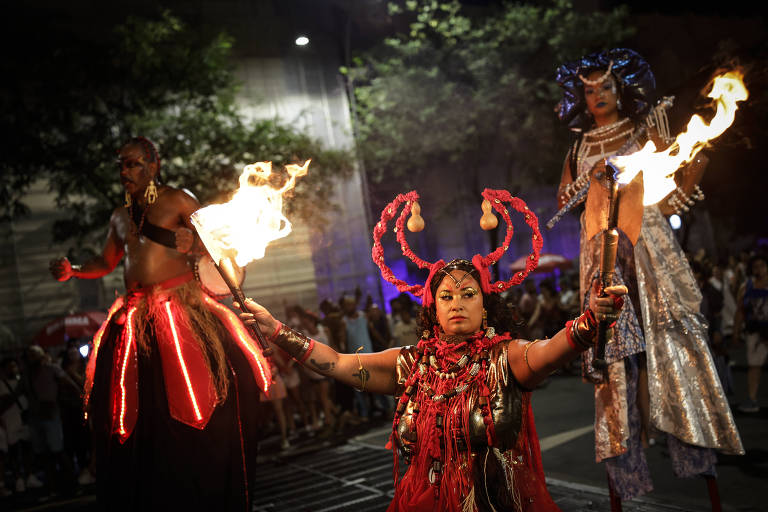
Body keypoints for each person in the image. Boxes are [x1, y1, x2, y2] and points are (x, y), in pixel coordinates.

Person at [238, 190, 628, 511]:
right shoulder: (411, 363)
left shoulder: (505, 357)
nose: (457, 302)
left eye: (468, 294)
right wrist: (277, 331)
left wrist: (590, 320)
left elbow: (554, 349)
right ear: (434, 308)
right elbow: (338, 363)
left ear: (485, 305)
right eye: (446, 295)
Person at [554, 48, 743, 503]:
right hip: (601, 253)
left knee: (675, 341)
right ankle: (625, 474)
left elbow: (677, 181)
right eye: (589, 90)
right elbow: (563, 201)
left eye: (604, 86)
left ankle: (698, 457)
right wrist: (596, 176)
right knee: (613, 361)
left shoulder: (645, 128)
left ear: (620, 88)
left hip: (650, 249)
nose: (597, 95)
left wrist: (691, 171)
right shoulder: (579, 146)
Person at [49, 136, 270, 510]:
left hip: (181, 310)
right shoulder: (120, 217)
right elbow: (106, 263)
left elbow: (220, 249)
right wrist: (74, 271)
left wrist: (194, 244)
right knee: (125, 415)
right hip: (133, 318)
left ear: (154, 166)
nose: (125, 172)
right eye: (121, 164)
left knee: (195, 404)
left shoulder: (178, 200)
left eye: (133, 164)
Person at [733, 253, 768, 413]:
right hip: (754, 331)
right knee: (754, 365)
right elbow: (740, 311)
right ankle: (752, 398)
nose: (759, 269)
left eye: (762, 265)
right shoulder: (747, 286)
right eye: (756, 266)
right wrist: (736, 331)